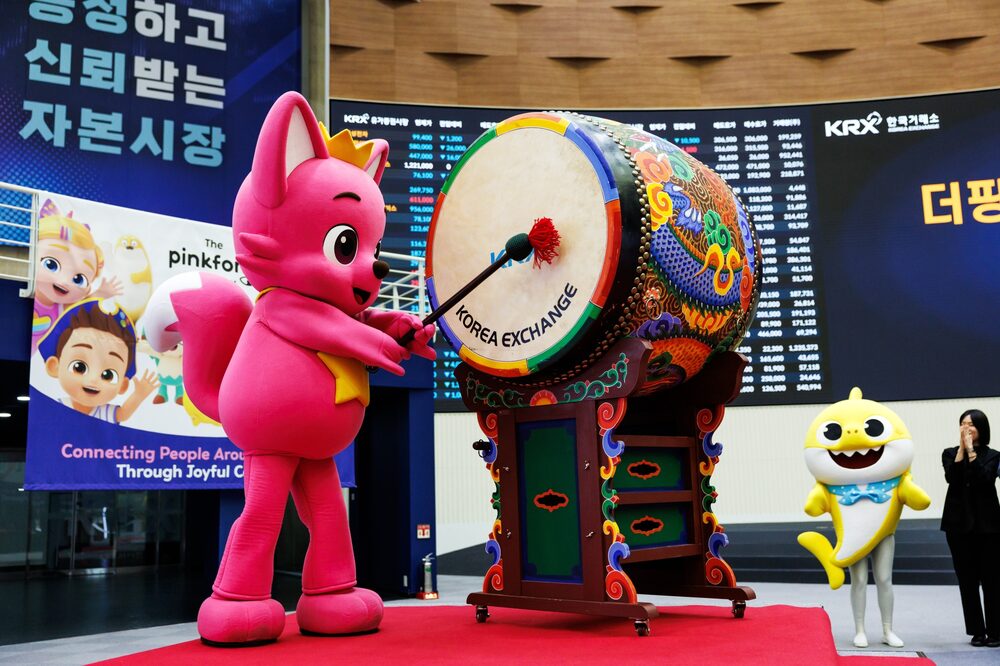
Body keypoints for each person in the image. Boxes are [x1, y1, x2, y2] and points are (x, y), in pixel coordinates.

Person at [42, 300, 159, 424]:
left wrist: (139, 395)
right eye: (79, 367)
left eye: (108, 375)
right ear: (54, 366)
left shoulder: (106, 412)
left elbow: (123, 414)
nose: (93, 379)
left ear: (122, 385)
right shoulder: (58, 407)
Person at [941, 409, 1000, 648]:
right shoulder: (949, 454)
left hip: (989, 527)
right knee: (967, 580)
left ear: (981, 429)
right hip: (958, 527)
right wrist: (962, 450)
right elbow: (952, 478)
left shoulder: (993, 456)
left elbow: (984, 479)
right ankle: (977, 631)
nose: (967, 428)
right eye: (963, 423)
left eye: (972, 424)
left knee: (992, 580)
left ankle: (995, 631)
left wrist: (972, 451)